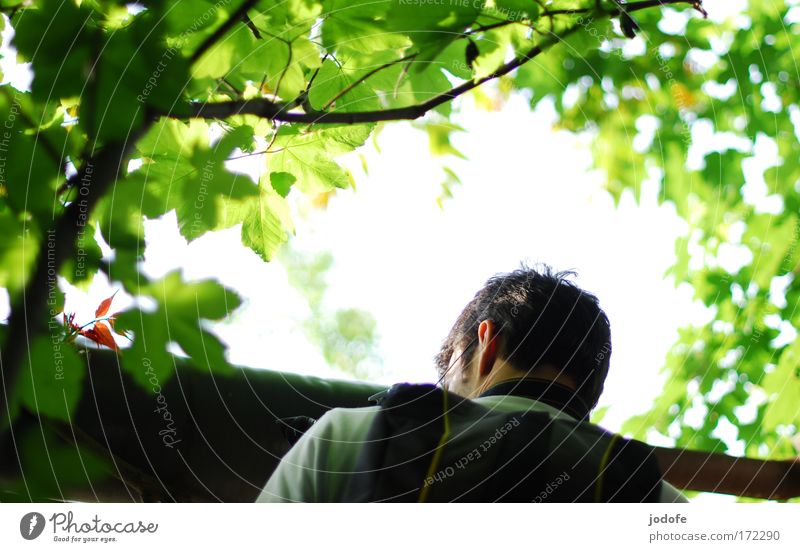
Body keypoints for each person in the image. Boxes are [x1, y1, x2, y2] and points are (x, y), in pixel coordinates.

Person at [257, 263, 687, 502]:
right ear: (589, 392)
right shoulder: (655, 497)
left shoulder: (351, 437)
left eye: (449, 384)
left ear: (486, 342)